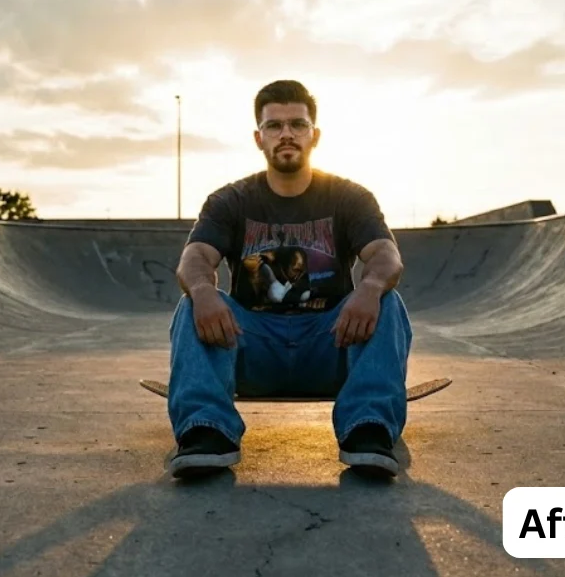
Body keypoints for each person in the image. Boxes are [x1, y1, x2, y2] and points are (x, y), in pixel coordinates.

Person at [167, 79, 412, 479]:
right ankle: (205, 429)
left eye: (297, 124)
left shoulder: (348, 197)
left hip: (330, 341)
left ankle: (368, 428)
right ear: (258, 137)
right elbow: (195, 256)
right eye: (274, 125)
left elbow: (386, 254)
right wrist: (201, 289)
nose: (286, 134)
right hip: (251, 345)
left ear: (314, 135)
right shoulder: (230, 200)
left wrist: (368, 288)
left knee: (388, 300)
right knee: (191, 301)